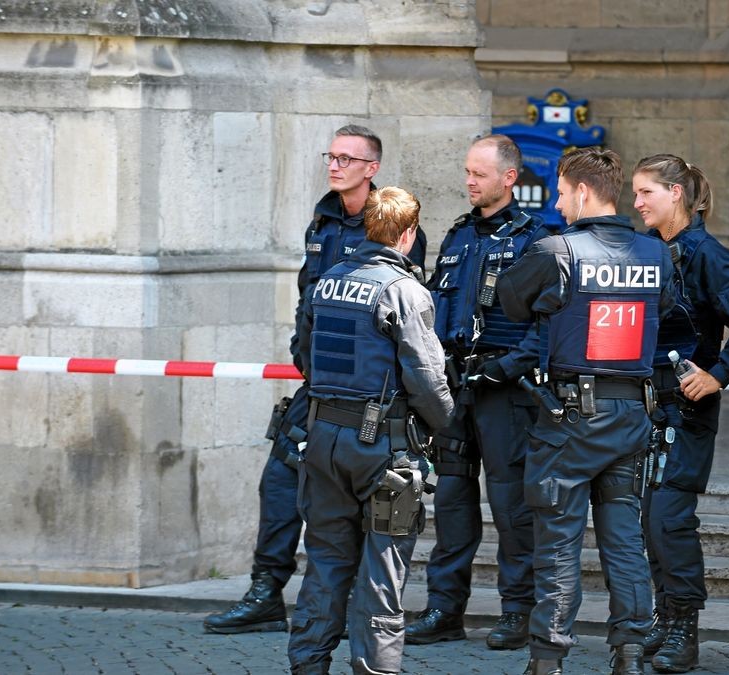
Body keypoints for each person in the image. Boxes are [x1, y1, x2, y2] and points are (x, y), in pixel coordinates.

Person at [204, 125, 425, 636]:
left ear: (371, 169)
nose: (335, 165)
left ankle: (347, 604)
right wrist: (304, 356)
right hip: (320, 383)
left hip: (370, 394)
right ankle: (265, 590)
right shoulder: (321, 221)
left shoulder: (392, 222)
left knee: (359, 503)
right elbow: (309, 303)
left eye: (348, 158)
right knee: (279, 477)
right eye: (332, 155)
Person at [497, 146, 675, 675]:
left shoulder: (556, 250)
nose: (556, 201)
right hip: (630, 417)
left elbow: (510, 303)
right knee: (624, 541)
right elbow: (662, 310)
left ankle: (548, 658)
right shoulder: (656, 253)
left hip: (570, 421)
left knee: (557, 541)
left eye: (559, 190)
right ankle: (630, 654)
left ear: (581, 190)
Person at [287, 186, 453, 675]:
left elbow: (302, 353)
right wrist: (446, 424)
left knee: (325, 565)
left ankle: (307, 666)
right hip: (381, 449)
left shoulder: (328, 282)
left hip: (323, 441)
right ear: (408, 234)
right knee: (382, 573)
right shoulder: (403, 290)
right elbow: (427, 379)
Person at [405, 135, 548, 649]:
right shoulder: (459, 235)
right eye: (467, 172)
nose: (469, 181)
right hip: (454, 389)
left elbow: (547, 325)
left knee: (512, 507)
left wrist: (508, 368)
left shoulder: (537, 240)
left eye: (479, 174)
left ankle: (518, 611)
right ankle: (444, 609)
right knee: (452, 500)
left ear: (508, 178)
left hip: (505, 392)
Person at [630, 155, 729, 673]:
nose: (637, 203)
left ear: (675, 194)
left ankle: (684, 627)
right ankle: (665, 621)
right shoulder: (648, 251)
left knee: (670, 520)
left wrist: (717, 373)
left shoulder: (709, 256)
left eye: (646, 193)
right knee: (649, 521)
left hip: (686, 408)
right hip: (647, 405)